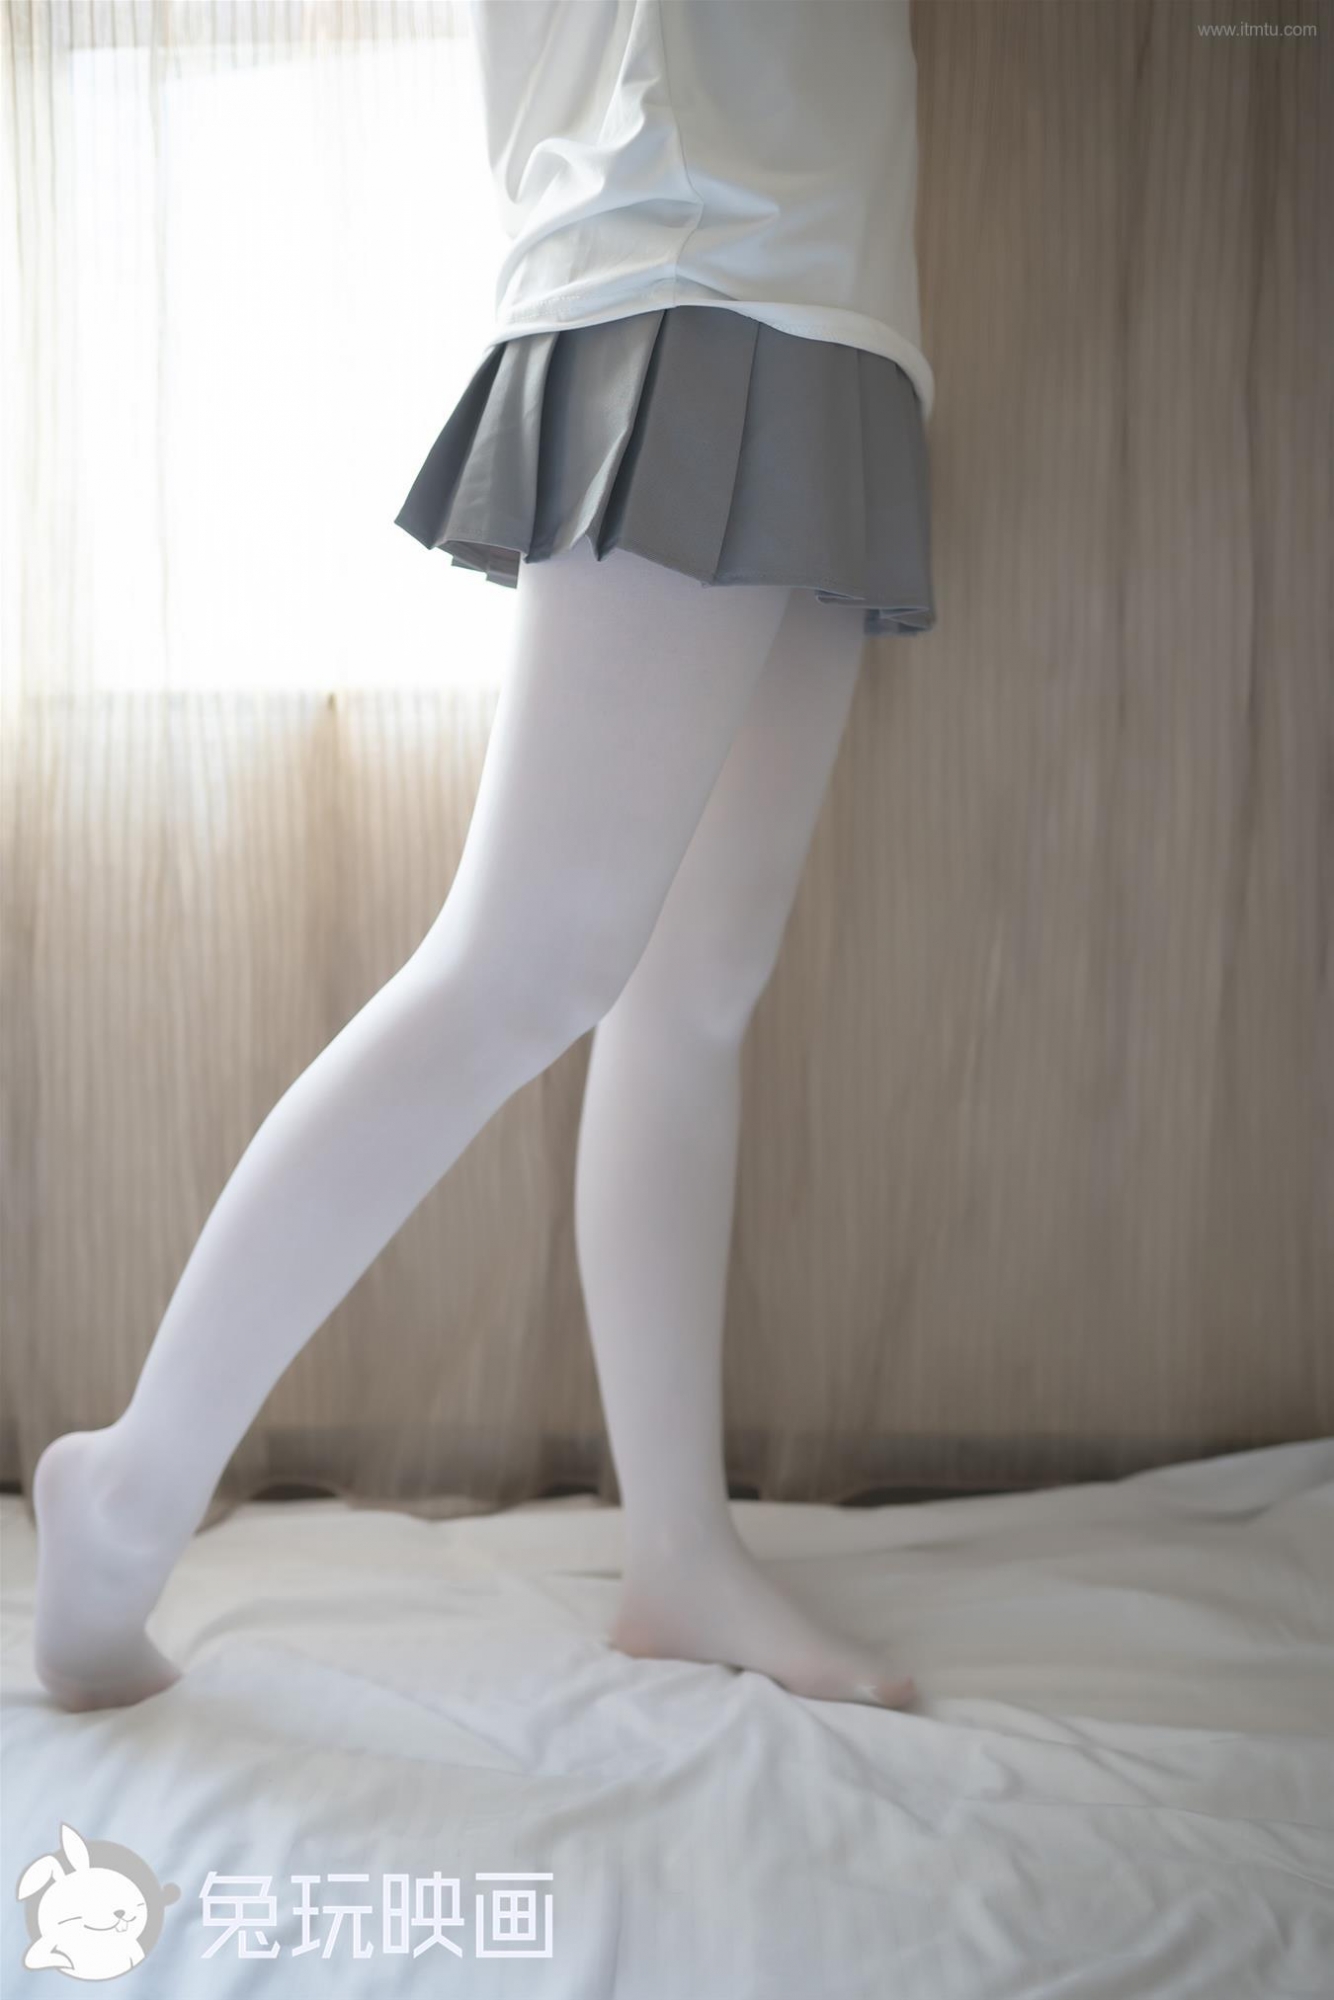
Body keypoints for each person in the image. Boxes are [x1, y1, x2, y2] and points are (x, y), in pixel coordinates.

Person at [32, 0, 935, 1713]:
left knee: (692, 993)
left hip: (834, 307)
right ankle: (132, 1482)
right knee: (528, 965)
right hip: (685, 266)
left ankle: (679, 1554)